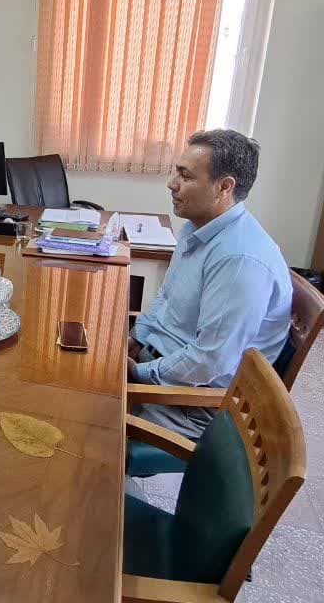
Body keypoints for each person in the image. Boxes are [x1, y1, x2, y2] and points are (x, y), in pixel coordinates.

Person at [127, 130, 292, 439]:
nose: (172, 184)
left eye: (186, 176)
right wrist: (136, 338)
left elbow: (210, 361)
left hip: (195, 403)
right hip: (164, 367)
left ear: (224, 187)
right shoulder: (197, 228)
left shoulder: (239, 259)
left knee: (82, 417)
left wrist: (138, 372)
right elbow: (167, 297)